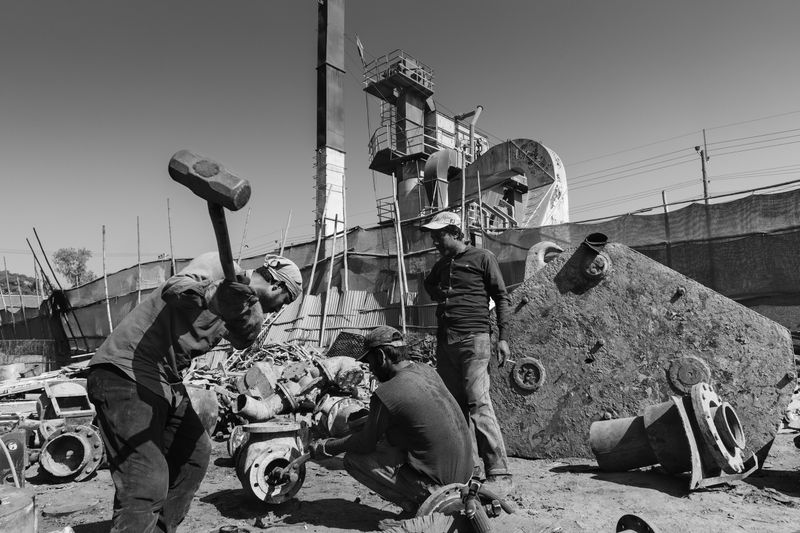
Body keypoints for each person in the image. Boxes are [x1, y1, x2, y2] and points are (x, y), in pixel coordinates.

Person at [87, 252, 302, 533]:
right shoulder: (219, 267)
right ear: (277, 286)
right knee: (146, 479)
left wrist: (244, 315)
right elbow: (174, 289)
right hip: (126, 369)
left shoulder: (244, 306)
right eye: (284, 302)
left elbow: (241, 340)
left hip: (166, 381)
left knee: (194, 454)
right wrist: (213, 294)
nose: (279, 310)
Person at [309, 325, 473, 516]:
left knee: (354, 459)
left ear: (381, 356)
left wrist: (328, 446)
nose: (370, 368)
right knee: (388, 439)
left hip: (442, 488)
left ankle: (419, 504)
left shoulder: (387, 392)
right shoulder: (426, 370)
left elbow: (364, 443)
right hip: (465, 477)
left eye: (370, 361)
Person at [421, 211, 513, 493]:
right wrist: (440, 295)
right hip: (446, 342)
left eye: (440, 235)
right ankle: (469, 471)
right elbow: (428, 285)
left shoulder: (482, 257)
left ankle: (499, 472)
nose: (435, 240)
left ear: (456, 232)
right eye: (434, 235)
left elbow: (501, 296)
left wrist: (504, 338)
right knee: (455, 408)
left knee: (478, 403)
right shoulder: (442, 264)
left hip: (475, 339)